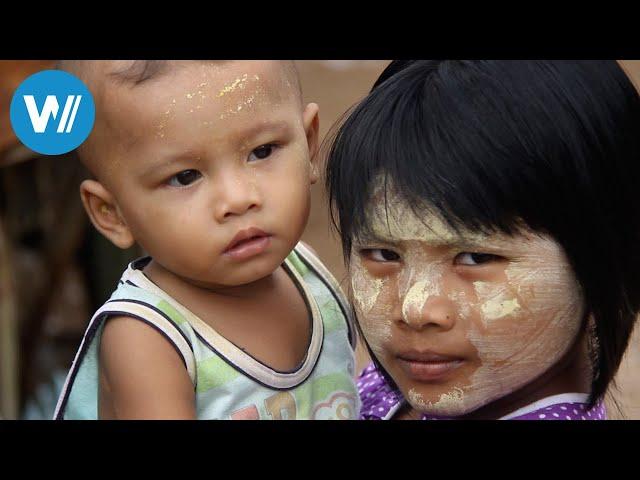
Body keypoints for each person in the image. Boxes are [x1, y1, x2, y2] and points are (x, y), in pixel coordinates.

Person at [325, 60, 640, 420]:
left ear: (607, 259)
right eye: (383, 254)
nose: (415, 309)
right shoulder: (393, 390)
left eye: (475, 258)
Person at [54, 60, 358, 420]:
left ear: (308, 144)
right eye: (185, 177)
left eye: (262, 151)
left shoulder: (310, 276)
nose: (238, 199)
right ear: (113, 213)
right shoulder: (146, 339)